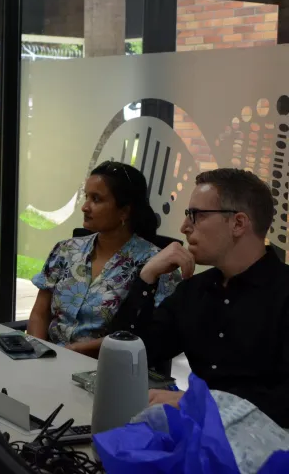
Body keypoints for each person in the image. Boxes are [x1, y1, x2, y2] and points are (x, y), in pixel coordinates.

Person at [112, 168, 289, 427]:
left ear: (238, 223)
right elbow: (131, 354)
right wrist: (147, 277)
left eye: (197, 215)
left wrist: (195, 402)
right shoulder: (195, 290)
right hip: (200, 434)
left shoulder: (282, 293)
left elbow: (284, 401)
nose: (184, 227)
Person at [28, 161, 180, 358]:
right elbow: (40, 313)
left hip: (108, 366)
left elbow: (147, 335)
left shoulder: (157, 266)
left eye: (96, 199)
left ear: (124, 211)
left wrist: (72, 352)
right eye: (86, 197)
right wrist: (38, 353)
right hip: (50, 359)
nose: (85, 207)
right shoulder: (66, 250)